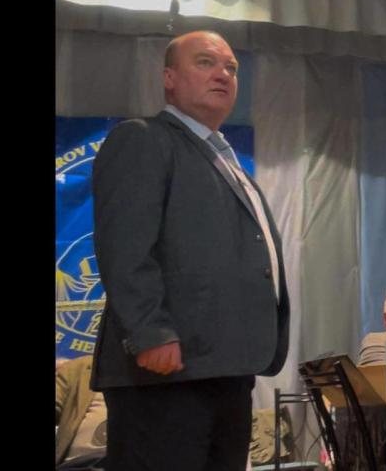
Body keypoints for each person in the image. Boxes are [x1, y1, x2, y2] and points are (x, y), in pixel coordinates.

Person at [91, 30, 290, 470]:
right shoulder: (143, 139)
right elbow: (124, 246)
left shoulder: (226, 160)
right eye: (205, 63)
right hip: (165, 373)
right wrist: (151, 333)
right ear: (169, 78)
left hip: (225, 368)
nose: (222, 74)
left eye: (231, 68)